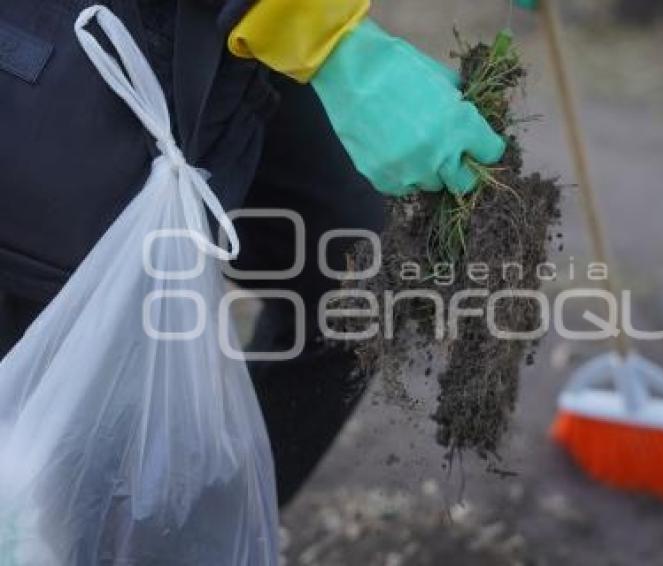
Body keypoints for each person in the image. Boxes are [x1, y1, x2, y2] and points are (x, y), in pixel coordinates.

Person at [0, 0, 505, 509]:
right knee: (59, 410)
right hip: (60, 56)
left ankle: (206, 532)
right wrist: (331, 42)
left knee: (356, 273)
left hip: (226, 34)